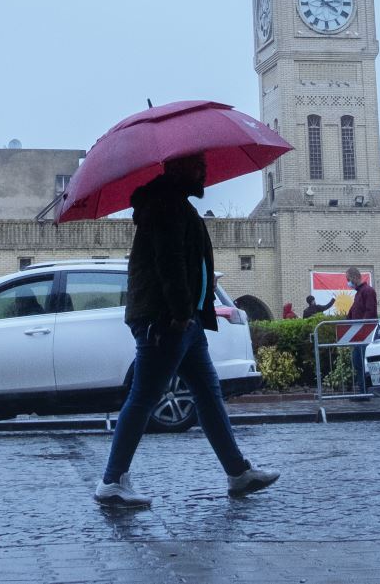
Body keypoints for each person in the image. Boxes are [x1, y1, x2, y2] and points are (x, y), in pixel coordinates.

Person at [94, 153, 279, 508]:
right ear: (177, 167)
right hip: (167, 321)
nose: (204, 171)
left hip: (185, 322)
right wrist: (179, 314)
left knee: (208, 394)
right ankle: (112, 481)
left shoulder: (175, 203)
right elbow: (170, 262)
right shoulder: (165, 205)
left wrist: (192, 307)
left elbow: (186, 263)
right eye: (197, 165)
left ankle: (237, 472)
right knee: (144, 396)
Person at [345, 267, 378, 392]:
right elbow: (354, 310)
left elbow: (370, 311)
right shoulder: (359, 293)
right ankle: (363, 391)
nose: (348, 282)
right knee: (358, 362)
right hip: (359, 335)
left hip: (365, 335)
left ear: (354, 277)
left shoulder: (367, 291)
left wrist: (362, 327)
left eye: (348, 279)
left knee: (365, 363)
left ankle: (368, 391)